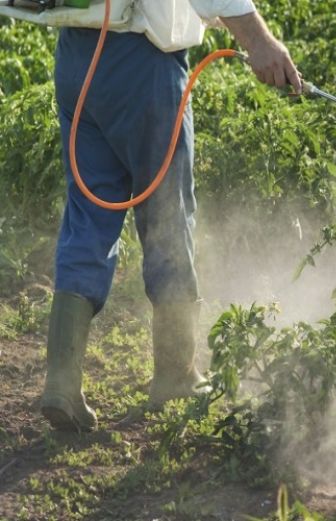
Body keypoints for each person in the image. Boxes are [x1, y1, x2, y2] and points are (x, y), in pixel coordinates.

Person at [40, 0, 302, 432]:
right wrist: (260, 42)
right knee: (168, 215)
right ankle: (176, 374)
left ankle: (61, 384)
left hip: (76, 61)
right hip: (143, 69)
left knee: (87, 217)